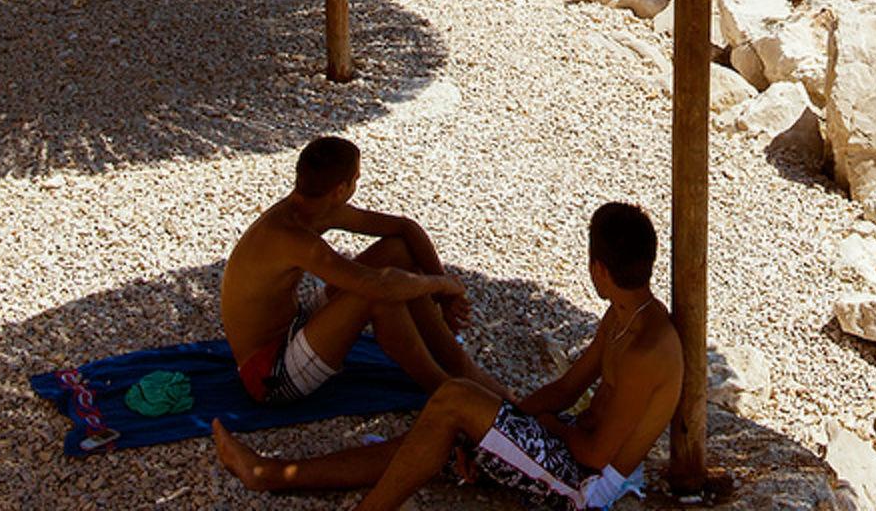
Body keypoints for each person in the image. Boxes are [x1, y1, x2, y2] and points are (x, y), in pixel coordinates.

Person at [214, 202, 680, 511]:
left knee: (455, 401)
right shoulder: (622, 317)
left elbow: (598, 454)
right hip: (569, 447)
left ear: (597, 268)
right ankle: (271, 473)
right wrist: (513, 412)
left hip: (585, 488)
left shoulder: (647, 348)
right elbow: (565, 388)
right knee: (436, 435)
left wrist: (532, 422)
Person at [219, 136, 502, 409]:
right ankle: (446, 391)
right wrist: (442, 285)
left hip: (296, 324)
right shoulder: (290, 235)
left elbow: (405, 229)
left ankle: (457, 365)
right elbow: (378, 286)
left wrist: (444, 299)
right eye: (356, 178)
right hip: (269, 374)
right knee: (373, 295)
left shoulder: (313, 208)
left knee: (396, 252)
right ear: (340, 190)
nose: (357, 184)